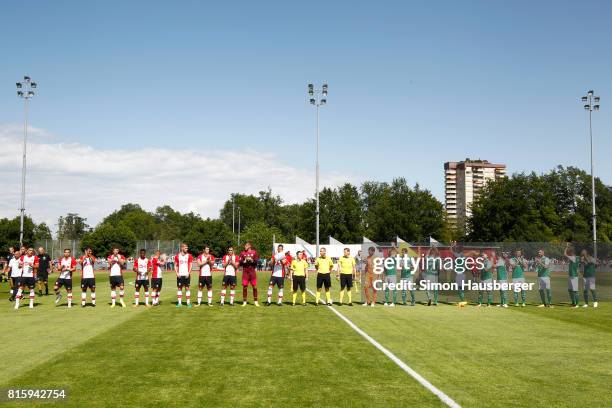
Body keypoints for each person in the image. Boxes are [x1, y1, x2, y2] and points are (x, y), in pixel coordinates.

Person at [239, 241, 260, 307]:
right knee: (245, 287)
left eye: (246, 246)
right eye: (245, 246)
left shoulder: (254, 252)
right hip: (245, 272)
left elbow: (256, 262)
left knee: (254, 286)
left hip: (252, 272)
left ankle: (256, 301)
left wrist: (251, 260)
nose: (245, 247)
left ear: (249, 246)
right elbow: (240, 263)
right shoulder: (242, 253)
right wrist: (244, 261)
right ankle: (244, 301)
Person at [174, 243, 193, 308]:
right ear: (182, 248)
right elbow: (175, 265)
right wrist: (177, 273)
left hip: (186, 275)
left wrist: (188, 273)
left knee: (187, 288)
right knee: (179, 288)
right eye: (185, 248)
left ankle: (188, 303)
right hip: (180, 275)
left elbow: (190, 265)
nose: (187, 249)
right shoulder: (177, 256)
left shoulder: (189, 256)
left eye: (187, 248)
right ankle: (179, 303)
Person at [450, 242, 468, 307]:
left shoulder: (459, 255)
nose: (456, 249)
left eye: (457, 248)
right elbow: (466, 267)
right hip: (463, 274)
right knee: (461, 288)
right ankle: (463, 301)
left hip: (460, 274)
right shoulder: (463, 256)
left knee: (459, 288)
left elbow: (451, 251)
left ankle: (463, 301)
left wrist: (452, 246)